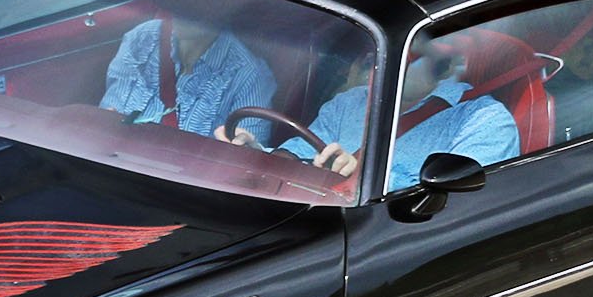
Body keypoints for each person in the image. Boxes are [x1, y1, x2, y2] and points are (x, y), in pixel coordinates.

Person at [215, 35, 520, 188]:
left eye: (407, 54)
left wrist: (362, 179)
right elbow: (297, 154)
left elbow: (463, 211)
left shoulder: (485, 122)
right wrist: (258, 154)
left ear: (446, 66)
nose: (374, 63)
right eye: (374, 51)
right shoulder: (350, 102)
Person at [100, 14, 277, 141]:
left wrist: (245, 145)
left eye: (199, 1)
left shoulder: (250, 76)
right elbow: (107, 118)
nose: (185, 9)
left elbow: (246, 160)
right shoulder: (142, 38)